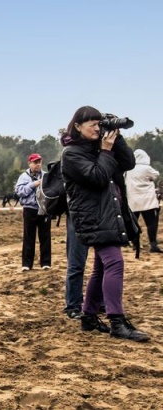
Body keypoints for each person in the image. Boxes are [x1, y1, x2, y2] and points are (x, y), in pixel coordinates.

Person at [61, 105, 149, 342]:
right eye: (92, 124)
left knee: (101, 267)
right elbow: (98, 178)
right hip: (92, 217)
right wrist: (106, 151)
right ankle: (117, 321)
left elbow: (129, 163)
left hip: (109, 214)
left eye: (99, 124)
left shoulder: (99, 147)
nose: (97, 128)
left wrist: (116, 139)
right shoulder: (71, 154)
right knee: (115, 263)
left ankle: (89, 317)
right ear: (77, 126)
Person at [15, 153, 52, 272]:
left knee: (45, 237)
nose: (37, 165)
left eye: (39, 162)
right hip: (29, 209)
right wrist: (33, 184)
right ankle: (26, 264)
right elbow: (19, 192)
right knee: (28, 237)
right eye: (35, 162)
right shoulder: (23, 177)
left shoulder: (47, 176)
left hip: (44, 209)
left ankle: (45, 263)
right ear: (29, 163)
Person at [125, 149, 162, 253]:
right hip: (147, 200)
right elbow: (156, 175)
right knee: (151, 223)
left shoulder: (129, 169)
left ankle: (135, 244)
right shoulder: (146, 168)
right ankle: (153, 245)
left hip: (133, 201)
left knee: (134, 224)